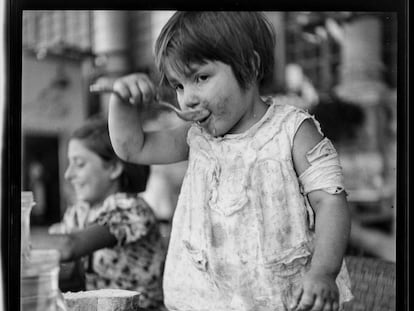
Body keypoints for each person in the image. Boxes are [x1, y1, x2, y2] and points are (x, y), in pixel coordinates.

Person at [105, 12, 353, 311]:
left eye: (201, 77)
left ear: (250, 65)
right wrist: (121, 103)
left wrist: (323, 273)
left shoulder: (292, 132)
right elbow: (133, 148)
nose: (187, 99)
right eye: (179, 85)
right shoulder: (195, 137)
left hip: (283, 300)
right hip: (201, 301)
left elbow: (330, 202)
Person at [39, 117, 166, 310]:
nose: (68, 174)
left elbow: (68, 246)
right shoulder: (79, 212)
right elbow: (65, 268)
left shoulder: (131, 209)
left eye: (79, 164)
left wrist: (18, 237)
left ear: (114, 168)